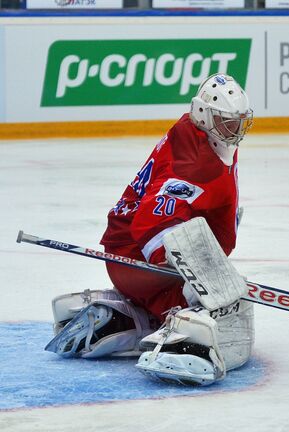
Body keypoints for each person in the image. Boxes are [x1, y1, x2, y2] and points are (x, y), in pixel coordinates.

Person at [44, 73, 256, 386]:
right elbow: (149, 223)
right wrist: (200, 272)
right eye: (227, 122)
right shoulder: (194, 163)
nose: (235, 131)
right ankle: (189, 341)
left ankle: (134, 318)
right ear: (204, 115)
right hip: (136, 260)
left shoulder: (202, 134)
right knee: (229, 306)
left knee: (207, 281)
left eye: (239, 122)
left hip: (126, 259)